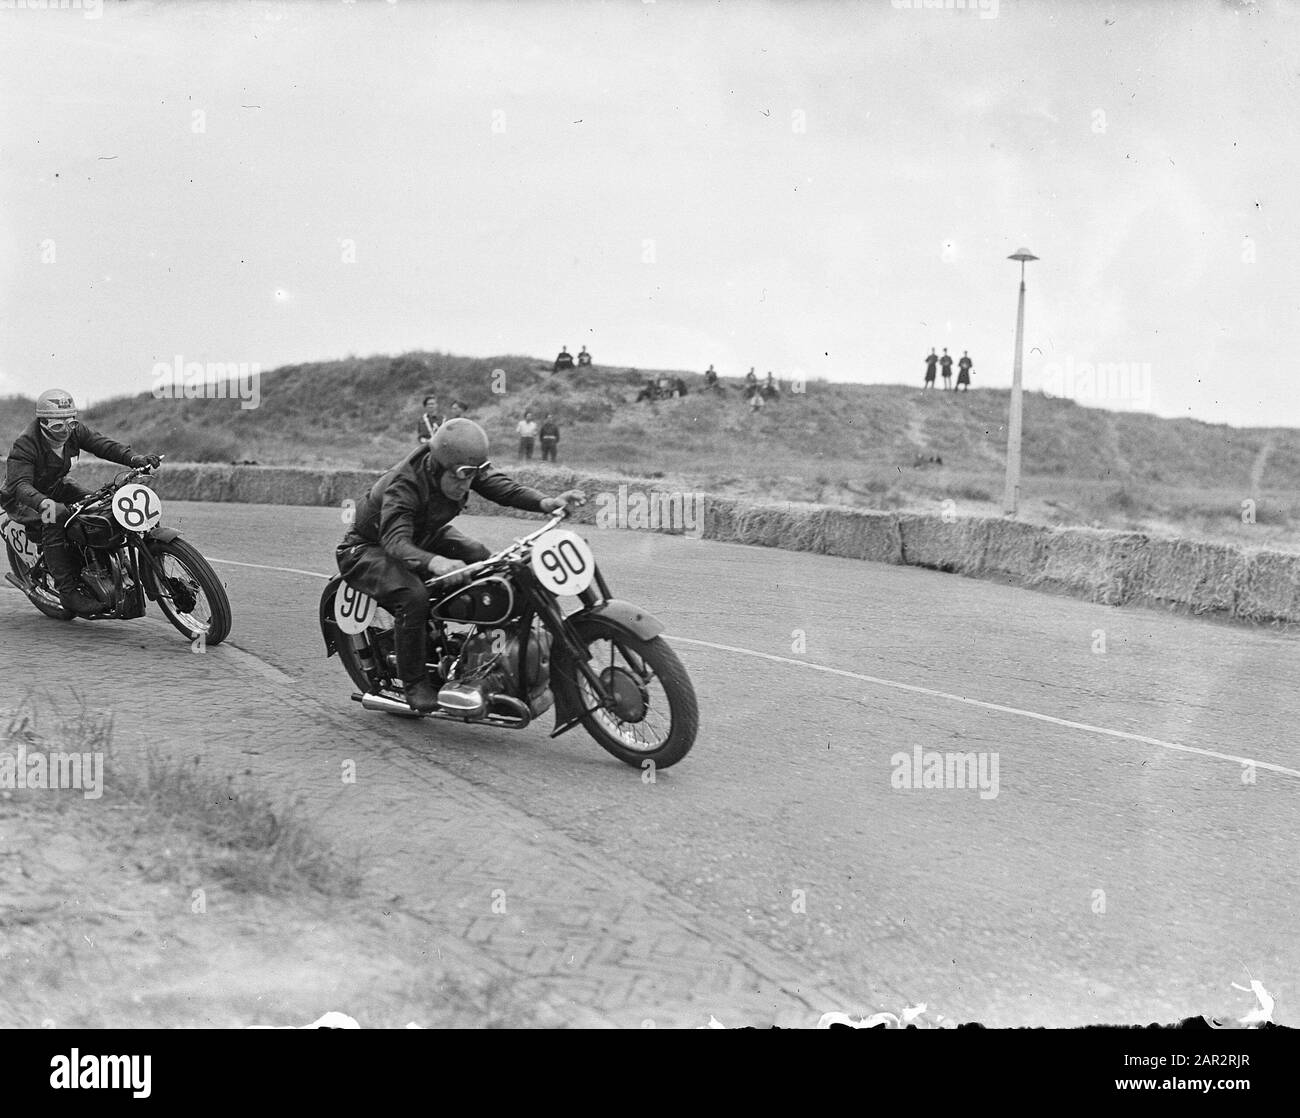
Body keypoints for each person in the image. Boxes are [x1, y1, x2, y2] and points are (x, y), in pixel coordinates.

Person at [336, 418, 585, 712]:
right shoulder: (404, 485)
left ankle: (489, 658)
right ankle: (415, 684)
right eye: (460, 477)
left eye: (472, 476)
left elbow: (499, 486)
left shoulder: (460, 465)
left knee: (484, 559)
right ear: (436, 467)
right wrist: (437, 562)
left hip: (423, 534)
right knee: (413, 596)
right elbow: (396, 543)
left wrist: (545, 502)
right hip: (367, 547)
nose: (466, 484)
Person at [0, 389, 160, 615]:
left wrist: (134, 459)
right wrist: (46, 504)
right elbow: (20, 486)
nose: (65, 431)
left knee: (98, 508)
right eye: (58, 426)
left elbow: (102, 445)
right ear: (43, 422)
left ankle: (115, 567)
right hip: (24, 499)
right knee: (55, 518)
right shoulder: (25, 444)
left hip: (56, 486)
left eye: (70, 423)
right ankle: (69, 592)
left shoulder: (74, 431)